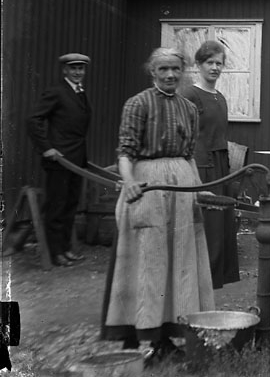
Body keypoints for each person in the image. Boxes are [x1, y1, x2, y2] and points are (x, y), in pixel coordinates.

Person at [101, 48, 214, 365]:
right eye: (163, 69)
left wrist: (197, 189)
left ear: (183, 71)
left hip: (181, 188)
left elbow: (189, 155)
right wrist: (129, 182)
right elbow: (125, 152)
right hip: (147, 187)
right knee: (149, 262)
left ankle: (172, 334)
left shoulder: (189, 108)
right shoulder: (137, 104)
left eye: (176, 69)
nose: (170, 75)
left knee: (181, 261)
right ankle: (146, 338)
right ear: (152, 72)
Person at [182, 40, 240, 290]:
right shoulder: (190, 95)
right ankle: (201, 278)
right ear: (198, 64)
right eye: (209, 63)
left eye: (219, 63)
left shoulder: (221, 98)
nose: (215, 68)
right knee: (207, 223)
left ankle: (217, 277)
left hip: (220, 166)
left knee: (221, 223)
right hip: (201, 165)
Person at [27, 53, 92, 267]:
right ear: (64, 70)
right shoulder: (56, 92)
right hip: (59, 160)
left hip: (76, 158)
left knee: (70, 205)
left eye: (81, 68)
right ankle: (56, 253)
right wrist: (47, 148)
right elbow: (33, 119)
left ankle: (66, 250)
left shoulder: (79, 92)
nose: (77, 72)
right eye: (73, 68)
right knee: (57, 206)